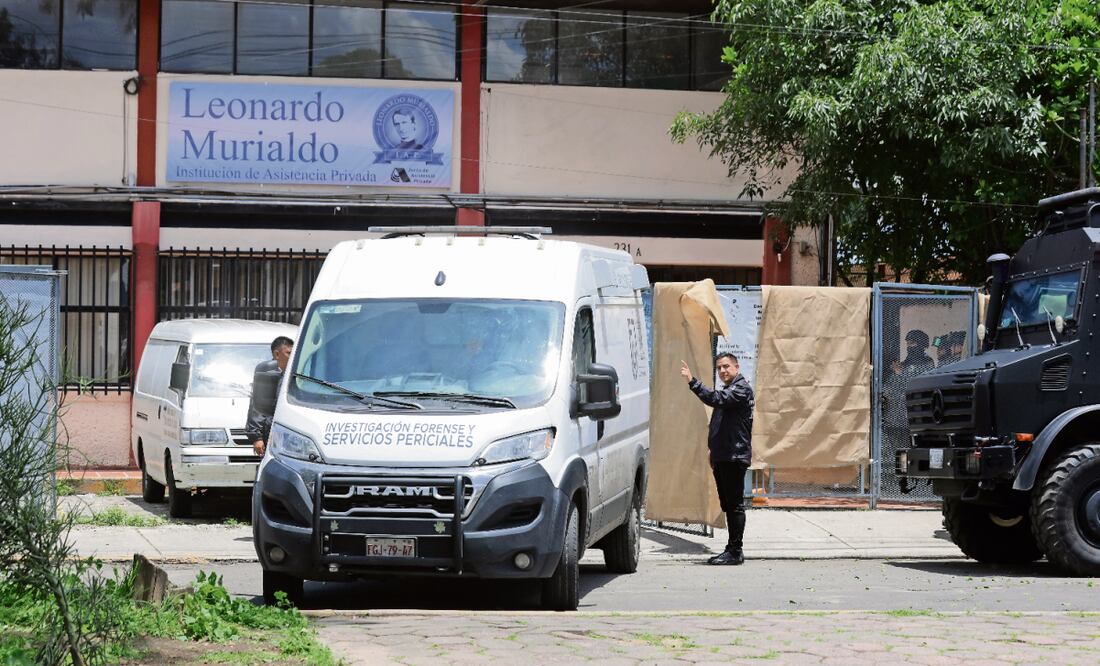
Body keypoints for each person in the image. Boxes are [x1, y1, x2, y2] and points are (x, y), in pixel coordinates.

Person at [680, 353, 754, 566]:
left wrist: (693, 382)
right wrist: (713, 449)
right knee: (728, 504)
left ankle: (735, 551)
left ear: (736, 367)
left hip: (734, 456)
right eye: (719, 368)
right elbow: (720, 422)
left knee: (735, 505)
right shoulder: (730, 389)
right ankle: (732, 549)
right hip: (724, 455)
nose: (722, 371)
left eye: (726, 367)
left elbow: (716, 400)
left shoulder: (740, 389)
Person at [246, 335, 294, 456]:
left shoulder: (300, 378)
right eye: (289, 353)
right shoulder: (268, 377)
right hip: (272, 436)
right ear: (277, 354)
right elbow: (258, 408)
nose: (293, 357)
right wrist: (257, 437)